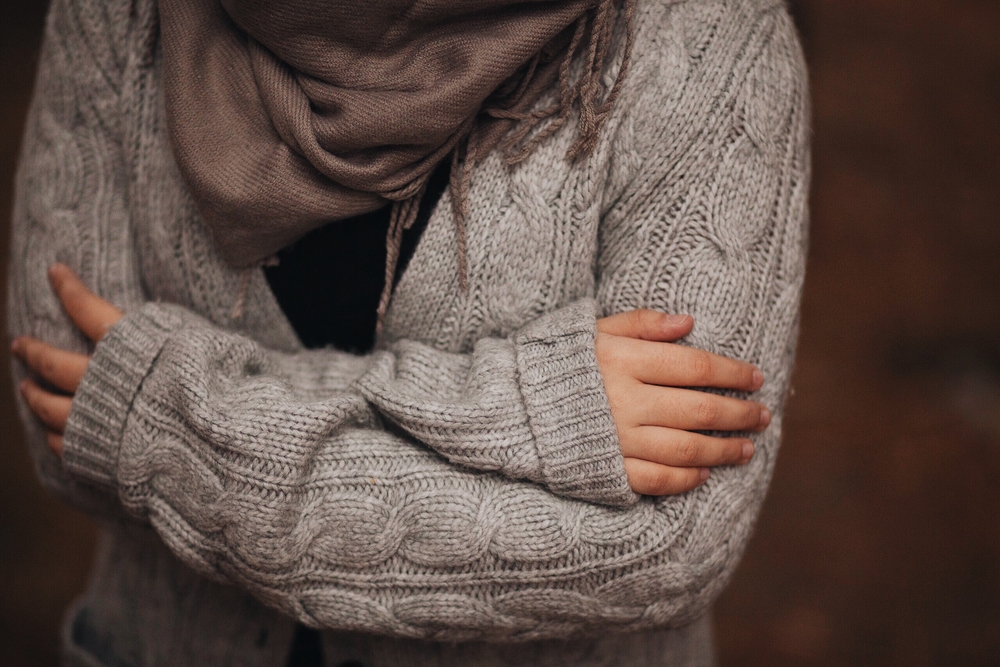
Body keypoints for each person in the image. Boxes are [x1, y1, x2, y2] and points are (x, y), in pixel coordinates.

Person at [8, 0, 810, 665]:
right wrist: (527, 409)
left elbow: (666, 545)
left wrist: (166, 425)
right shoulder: (122, 13)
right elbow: (64, 420)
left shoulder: (707, 36)